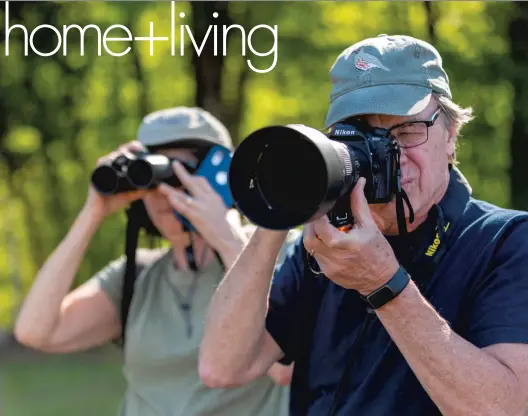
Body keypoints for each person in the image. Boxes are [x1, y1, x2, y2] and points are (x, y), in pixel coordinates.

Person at [199, 35, 528, 415]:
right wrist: (279, 206)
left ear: (451, 135)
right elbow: (220, 367)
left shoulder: (505, 242)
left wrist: (384, 284)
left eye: (406, 132)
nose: (390, 157)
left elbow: (503, 409)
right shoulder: (324, 246)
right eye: (365, 141)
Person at [14, 107, 295, 416]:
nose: (161, 194)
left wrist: (227, 240)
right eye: (149, 177)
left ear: (220, 178)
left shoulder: (277, 249)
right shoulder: (137, 277)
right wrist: (93, 213)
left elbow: (284, 370)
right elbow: (35, 331)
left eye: (177, 175)